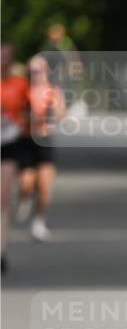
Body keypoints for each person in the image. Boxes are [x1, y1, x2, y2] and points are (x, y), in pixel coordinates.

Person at [16, 54, 65, 241]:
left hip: (44, 140)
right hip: (26, 139)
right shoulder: (22, 89)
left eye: (41, 70)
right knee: (26, 183)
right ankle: (25, 198)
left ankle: (39, 222)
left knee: (45, 185)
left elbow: (61, 114)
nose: (37, 74)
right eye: (33, 70)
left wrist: (55, 109)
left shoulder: (53, 91)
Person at [0, 43, 30, 272]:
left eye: (8, 56)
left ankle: (1, 250)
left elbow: (30, 111)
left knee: (2, 197)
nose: (4, 60)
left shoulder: (20, 84)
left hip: (9, 143)